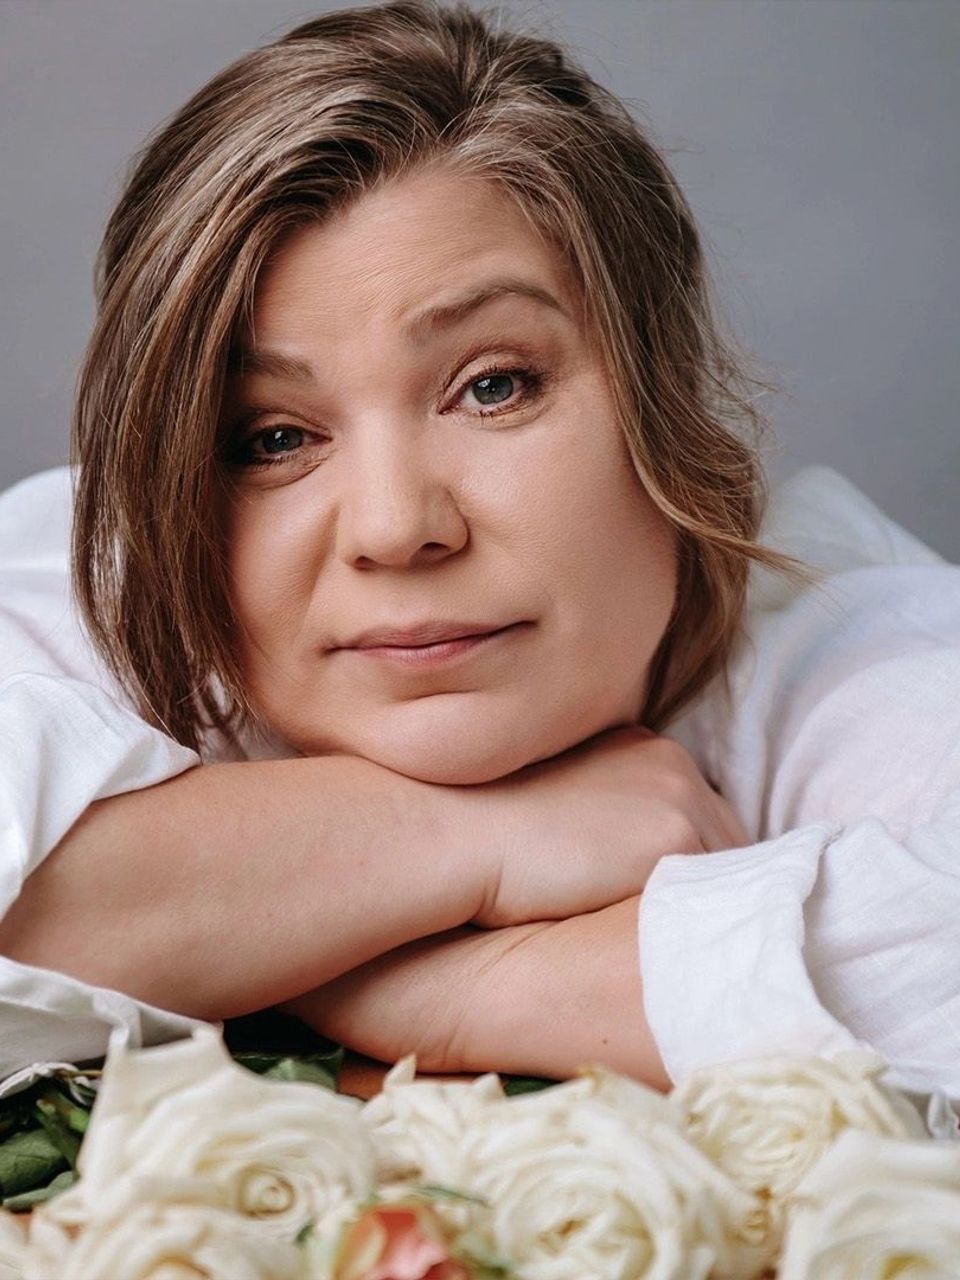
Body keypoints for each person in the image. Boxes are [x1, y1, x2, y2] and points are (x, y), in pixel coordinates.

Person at [0, 0, 958, 1102]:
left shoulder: (836, 629)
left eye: (493, 386)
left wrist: (454, 985)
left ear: (665, 404)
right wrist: (470, 838)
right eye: (273, 438)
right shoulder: (109, 572)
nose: (395, 526)